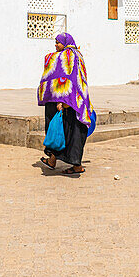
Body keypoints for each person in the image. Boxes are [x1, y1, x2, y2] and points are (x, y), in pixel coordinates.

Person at [37, 33, 93, 175]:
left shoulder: (68, 57)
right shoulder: (76, 55)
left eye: (58, 43)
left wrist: (63, 99)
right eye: (55, 42)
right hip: (75, 101)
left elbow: (69, 78)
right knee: (62, 130)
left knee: (68, 131)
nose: (55, 45)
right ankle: (53, 160)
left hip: (70, 102)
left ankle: (75, 166)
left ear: (66, 43)